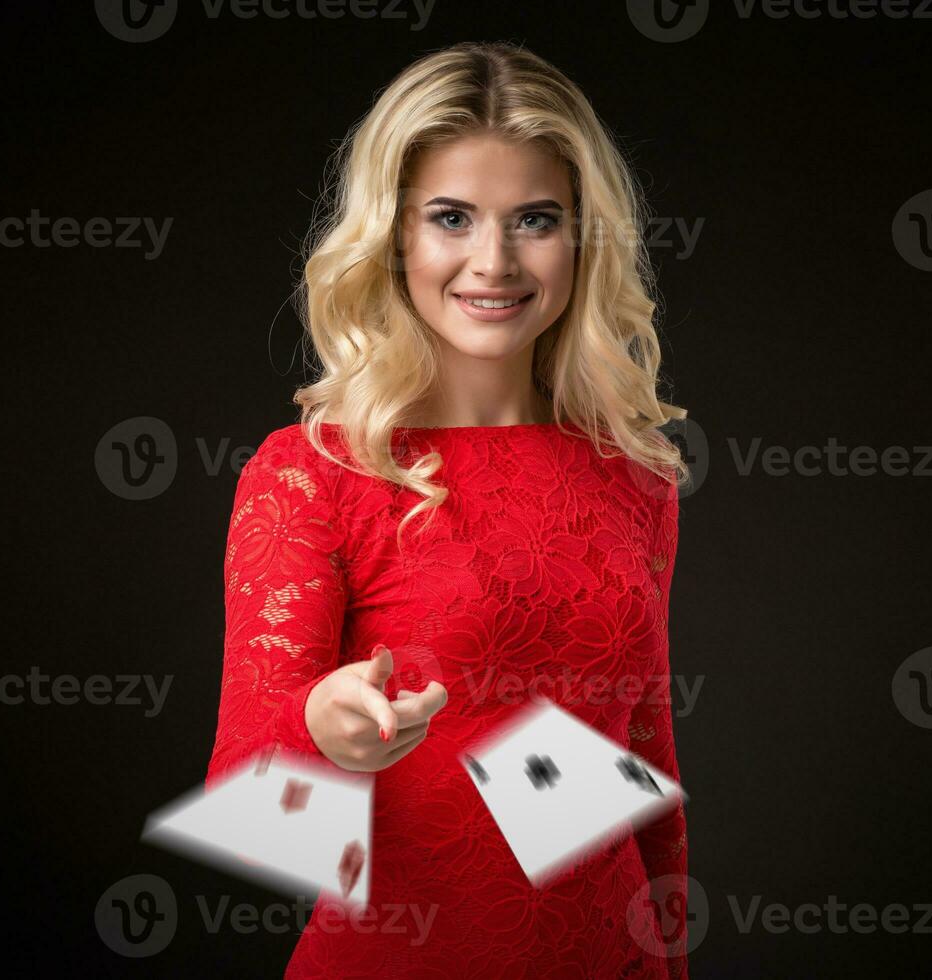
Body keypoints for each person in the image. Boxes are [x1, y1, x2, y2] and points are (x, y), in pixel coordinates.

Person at [206, 40, 691, 979]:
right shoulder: (312, 473)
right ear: (394, 236)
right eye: (451, 217)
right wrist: (322, 721)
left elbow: (643, 761)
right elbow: (246, 787)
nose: (493, 260)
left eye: (535, 219)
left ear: (582, 236)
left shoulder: (635, 474)